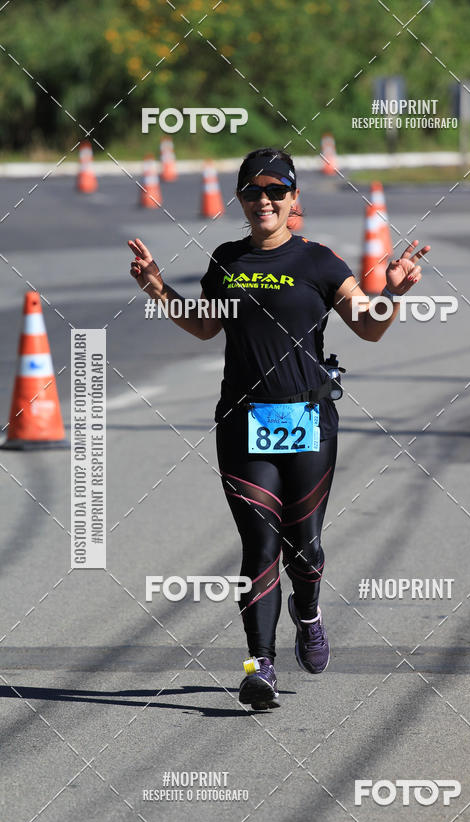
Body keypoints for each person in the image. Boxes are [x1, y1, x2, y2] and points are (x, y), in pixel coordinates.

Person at [128, 147, 430, 711]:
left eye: (275, 191)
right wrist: (157, 288)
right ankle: (258, 665)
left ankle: (307, 611)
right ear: (240, 200)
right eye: (252, 191)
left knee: (304, 549)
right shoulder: (226, 259)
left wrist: (391, 293)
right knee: (259, 544)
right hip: (242, 420)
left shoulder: (319, 262)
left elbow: (368, 328)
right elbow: (204, 327)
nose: (263, 201)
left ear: (293, 199)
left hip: (305, 419)